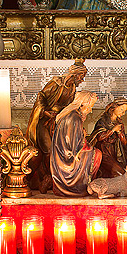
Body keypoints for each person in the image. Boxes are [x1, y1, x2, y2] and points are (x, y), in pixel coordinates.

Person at [26, 59, 88, 192]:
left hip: (58, 122)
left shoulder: (72, 88)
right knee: (48, 149)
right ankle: (42, 178)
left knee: (60, 150)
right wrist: (45, 112)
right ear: (76, 75)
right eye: (81, 77)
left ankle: (54, 180)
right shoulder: (56, 84)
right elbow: (41, 97)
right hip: (45, 121)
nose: (82, 80)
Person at [50, 91, 101, 197]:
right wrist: (84, 140)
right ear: (82, 104)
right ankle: (85, 186)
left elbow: (72, 139)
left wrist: (82, 135)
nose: (90, 111)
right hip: (67, 158)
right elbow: (75, 146)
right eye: (90, 107)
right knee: (97, 155)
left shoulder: (72, 115)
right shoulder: (74, 118)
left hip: (63, 154)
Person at [87, 98, 127, 178]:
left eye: (125, 111)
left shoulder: (119, 122)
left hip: (115, 152)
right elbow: (99, 136)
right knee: (120, 173)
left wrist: (119, 132)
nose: (123, 113)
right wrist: (112, 130)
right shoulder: (103, 121)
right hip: (104, 152)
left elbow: (124, 142)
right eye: (122, 109)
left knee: (124, 172)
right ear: (114, 107)